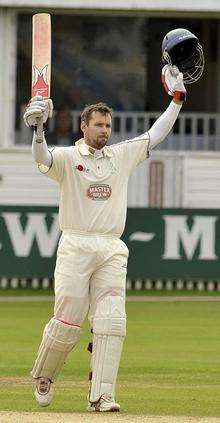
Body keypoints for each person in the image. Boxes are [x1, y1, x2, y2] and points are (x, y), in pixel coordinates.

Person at [23, 64, 186, 412]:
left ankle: (102, 396)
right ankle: (44, 375)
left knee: (112, 322)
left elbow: (156, 134)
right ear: (84, 127)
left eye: (108, 125)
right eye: (98, 124)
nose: (104, 130)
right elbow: (42, 158)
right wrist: (38, 131)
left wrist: (177, 99)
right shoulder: (68, 158)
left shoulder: (121, 156)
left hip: (112, 247)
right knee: (67, 322)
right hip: (76, 244)